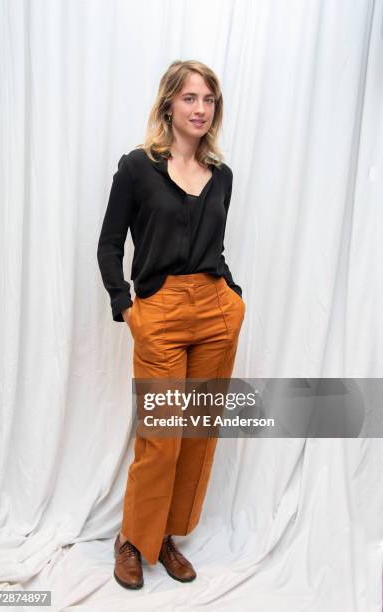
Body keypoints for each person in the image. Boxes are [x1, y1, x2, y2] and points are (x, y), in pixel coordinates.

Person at [97, 59, 245, 590]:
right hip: (158, 311)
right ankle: (132, 539)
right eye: (190, 98)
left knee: (197, 432)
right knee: (160, 435)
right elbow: (110, 243)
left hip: (214, 309)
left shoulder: (222, 175)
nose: (200, 108)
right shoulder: (137, 167)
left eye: (208, 100)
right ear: (168, 105)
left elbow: (216, 248)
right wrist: (126, 306)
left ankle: (165, 535)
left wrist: (234, 297)